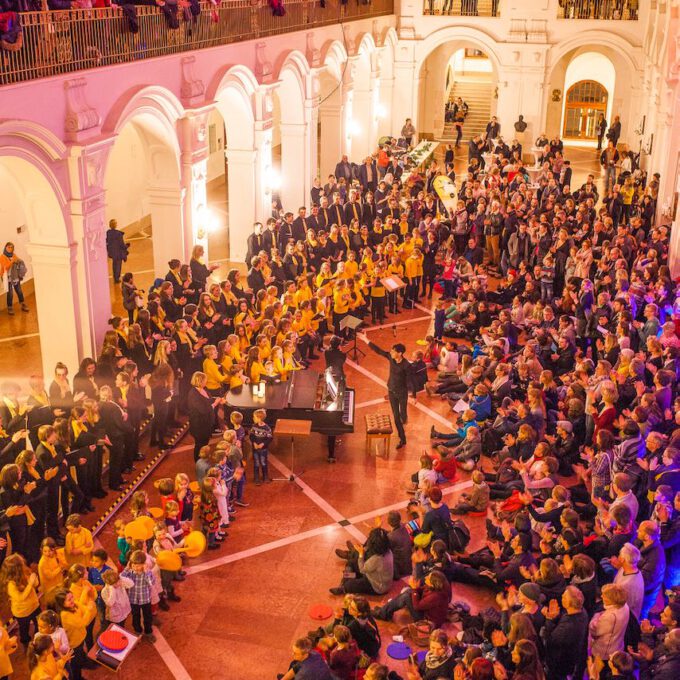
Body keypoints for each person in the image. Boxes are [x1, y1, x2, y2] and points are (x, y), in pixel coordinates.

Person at [358, 335, 411, 448]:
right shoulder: (391, 358)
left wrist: (414, 396)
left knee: (403, 415)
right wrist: (366, 340)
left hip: (402, 394)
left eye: (393, 351)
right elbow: (378, 350)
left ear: (400, 353)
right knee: (396, 417)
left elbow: (412, 381)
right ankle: (403, 439)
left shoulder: (406, 365)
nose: (391, 352)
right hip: (391, 391)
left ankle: (404, 417)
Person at [0, 242, 28, 315]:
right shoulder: (2, 257)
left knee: (19, 291)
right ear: (5, 248)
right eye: (9, 247)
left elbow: (18, 260)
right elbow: (5, 267)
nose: (10, 249)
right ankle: (10, 307)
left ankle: (22, 304)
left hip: (15, 276)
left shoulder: (14, 255)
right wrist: (12, 261)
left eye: (12, 247)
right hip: (7, 277)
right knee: (10, 293)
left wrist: (19, 261)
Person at [105, 219, 129, 284]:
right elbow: (122, 244)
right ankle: (117, 278)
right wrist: (127, 246)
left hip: (112, 252)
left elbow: (107, 241)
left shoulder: (108, 233)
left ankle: (115, 277)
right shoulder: (119, 234)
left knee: (114, 265)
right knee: (118, 265)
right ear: (115, 225)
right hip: (118, 252)